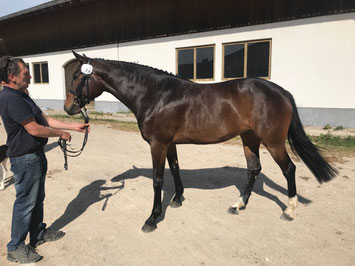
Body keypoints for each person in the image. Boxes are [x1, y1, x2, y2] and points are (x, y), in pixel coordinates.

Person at [0, 56, 89, 263]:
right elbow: (34, 129)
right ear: (11, 77)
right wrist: (60, 134)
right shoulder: (11, 99)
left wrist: (73, 127)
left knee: (37, 199)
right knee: (25, 203)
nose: (30, 75)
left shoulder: (22, 95)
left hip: (35, 156)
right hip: (25, 159)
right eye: (25, 73)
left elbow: (43, 119)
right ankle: (15, 247)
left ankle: (38, 233)